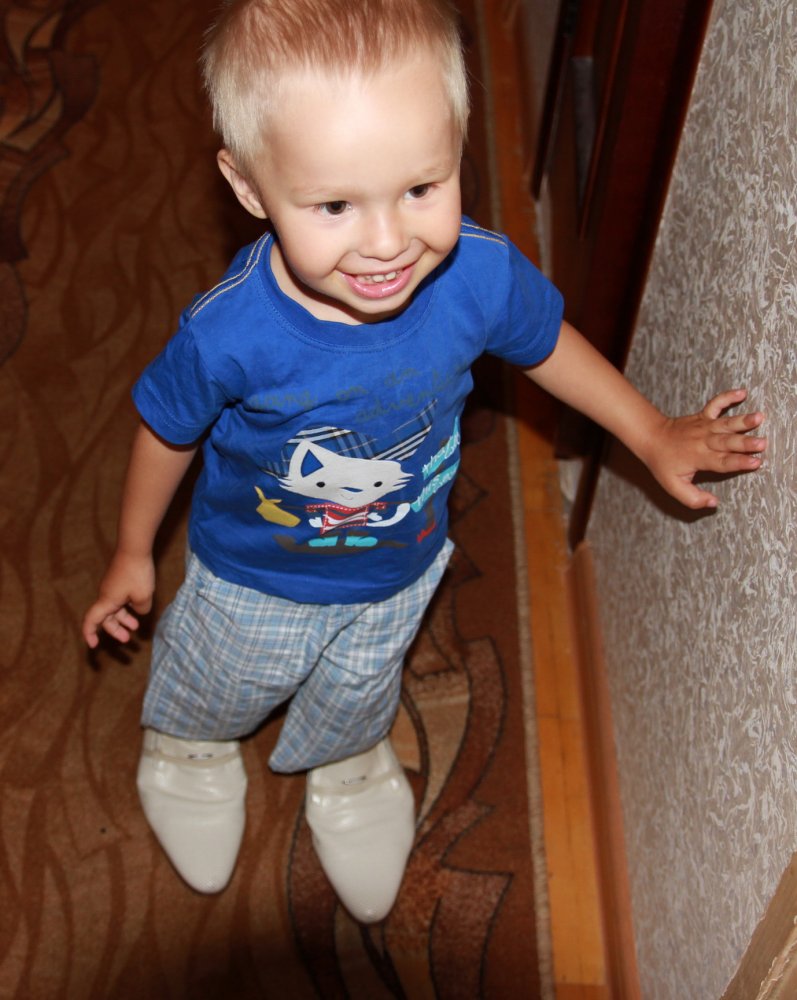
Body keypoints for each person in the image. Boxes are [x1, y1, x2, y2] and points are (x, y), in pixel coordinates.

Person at [81, 0, 767, 922]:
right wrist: (134, 551)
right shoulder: (228, 332)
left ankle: (345, 755)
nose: (387, 242)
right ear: (247, 188)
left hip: (402, 558)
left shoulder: (477, 274)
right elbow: (165, 431)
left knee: (364, 677)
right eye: (333, 205)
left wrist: (648, 433)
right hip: (253, 570)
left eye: (420, 187)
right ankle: (189, 748)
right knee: (219, 676)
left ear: (457, 142)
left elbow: (542, 343)